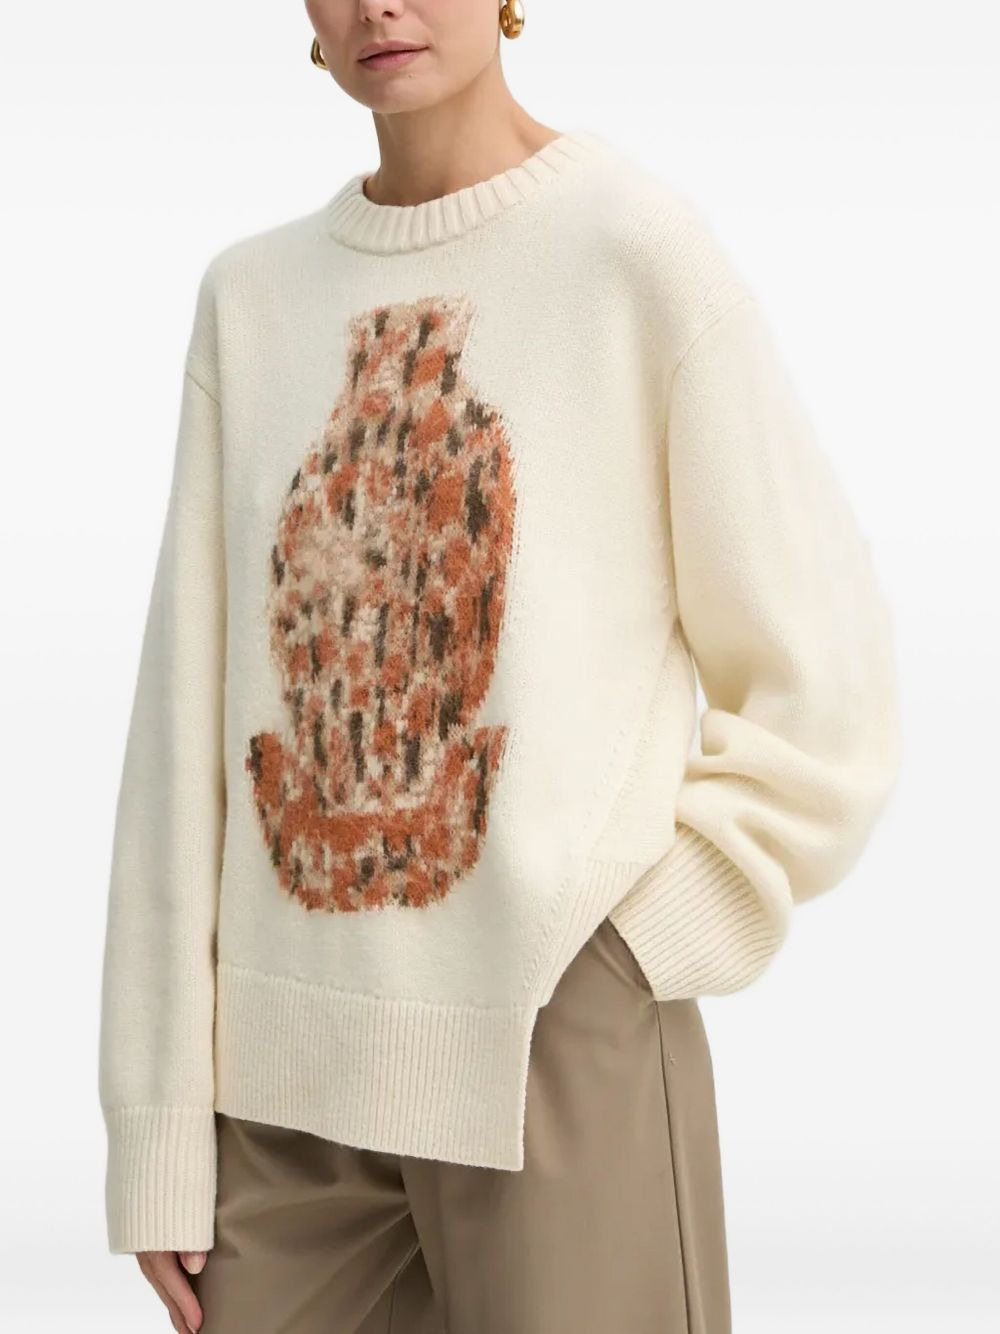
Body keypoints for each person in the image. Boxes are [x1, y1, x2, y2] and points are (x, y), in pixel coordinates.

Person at [96, 2, 902, 1331]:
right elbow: (182, 742)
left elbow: (828, 682)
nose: (379, 4)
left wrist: (627, 955)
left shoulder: (631, 251)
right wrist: (159, 1125)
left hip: (552, 1045)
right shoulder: (250, 300)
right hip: (283, 1103)